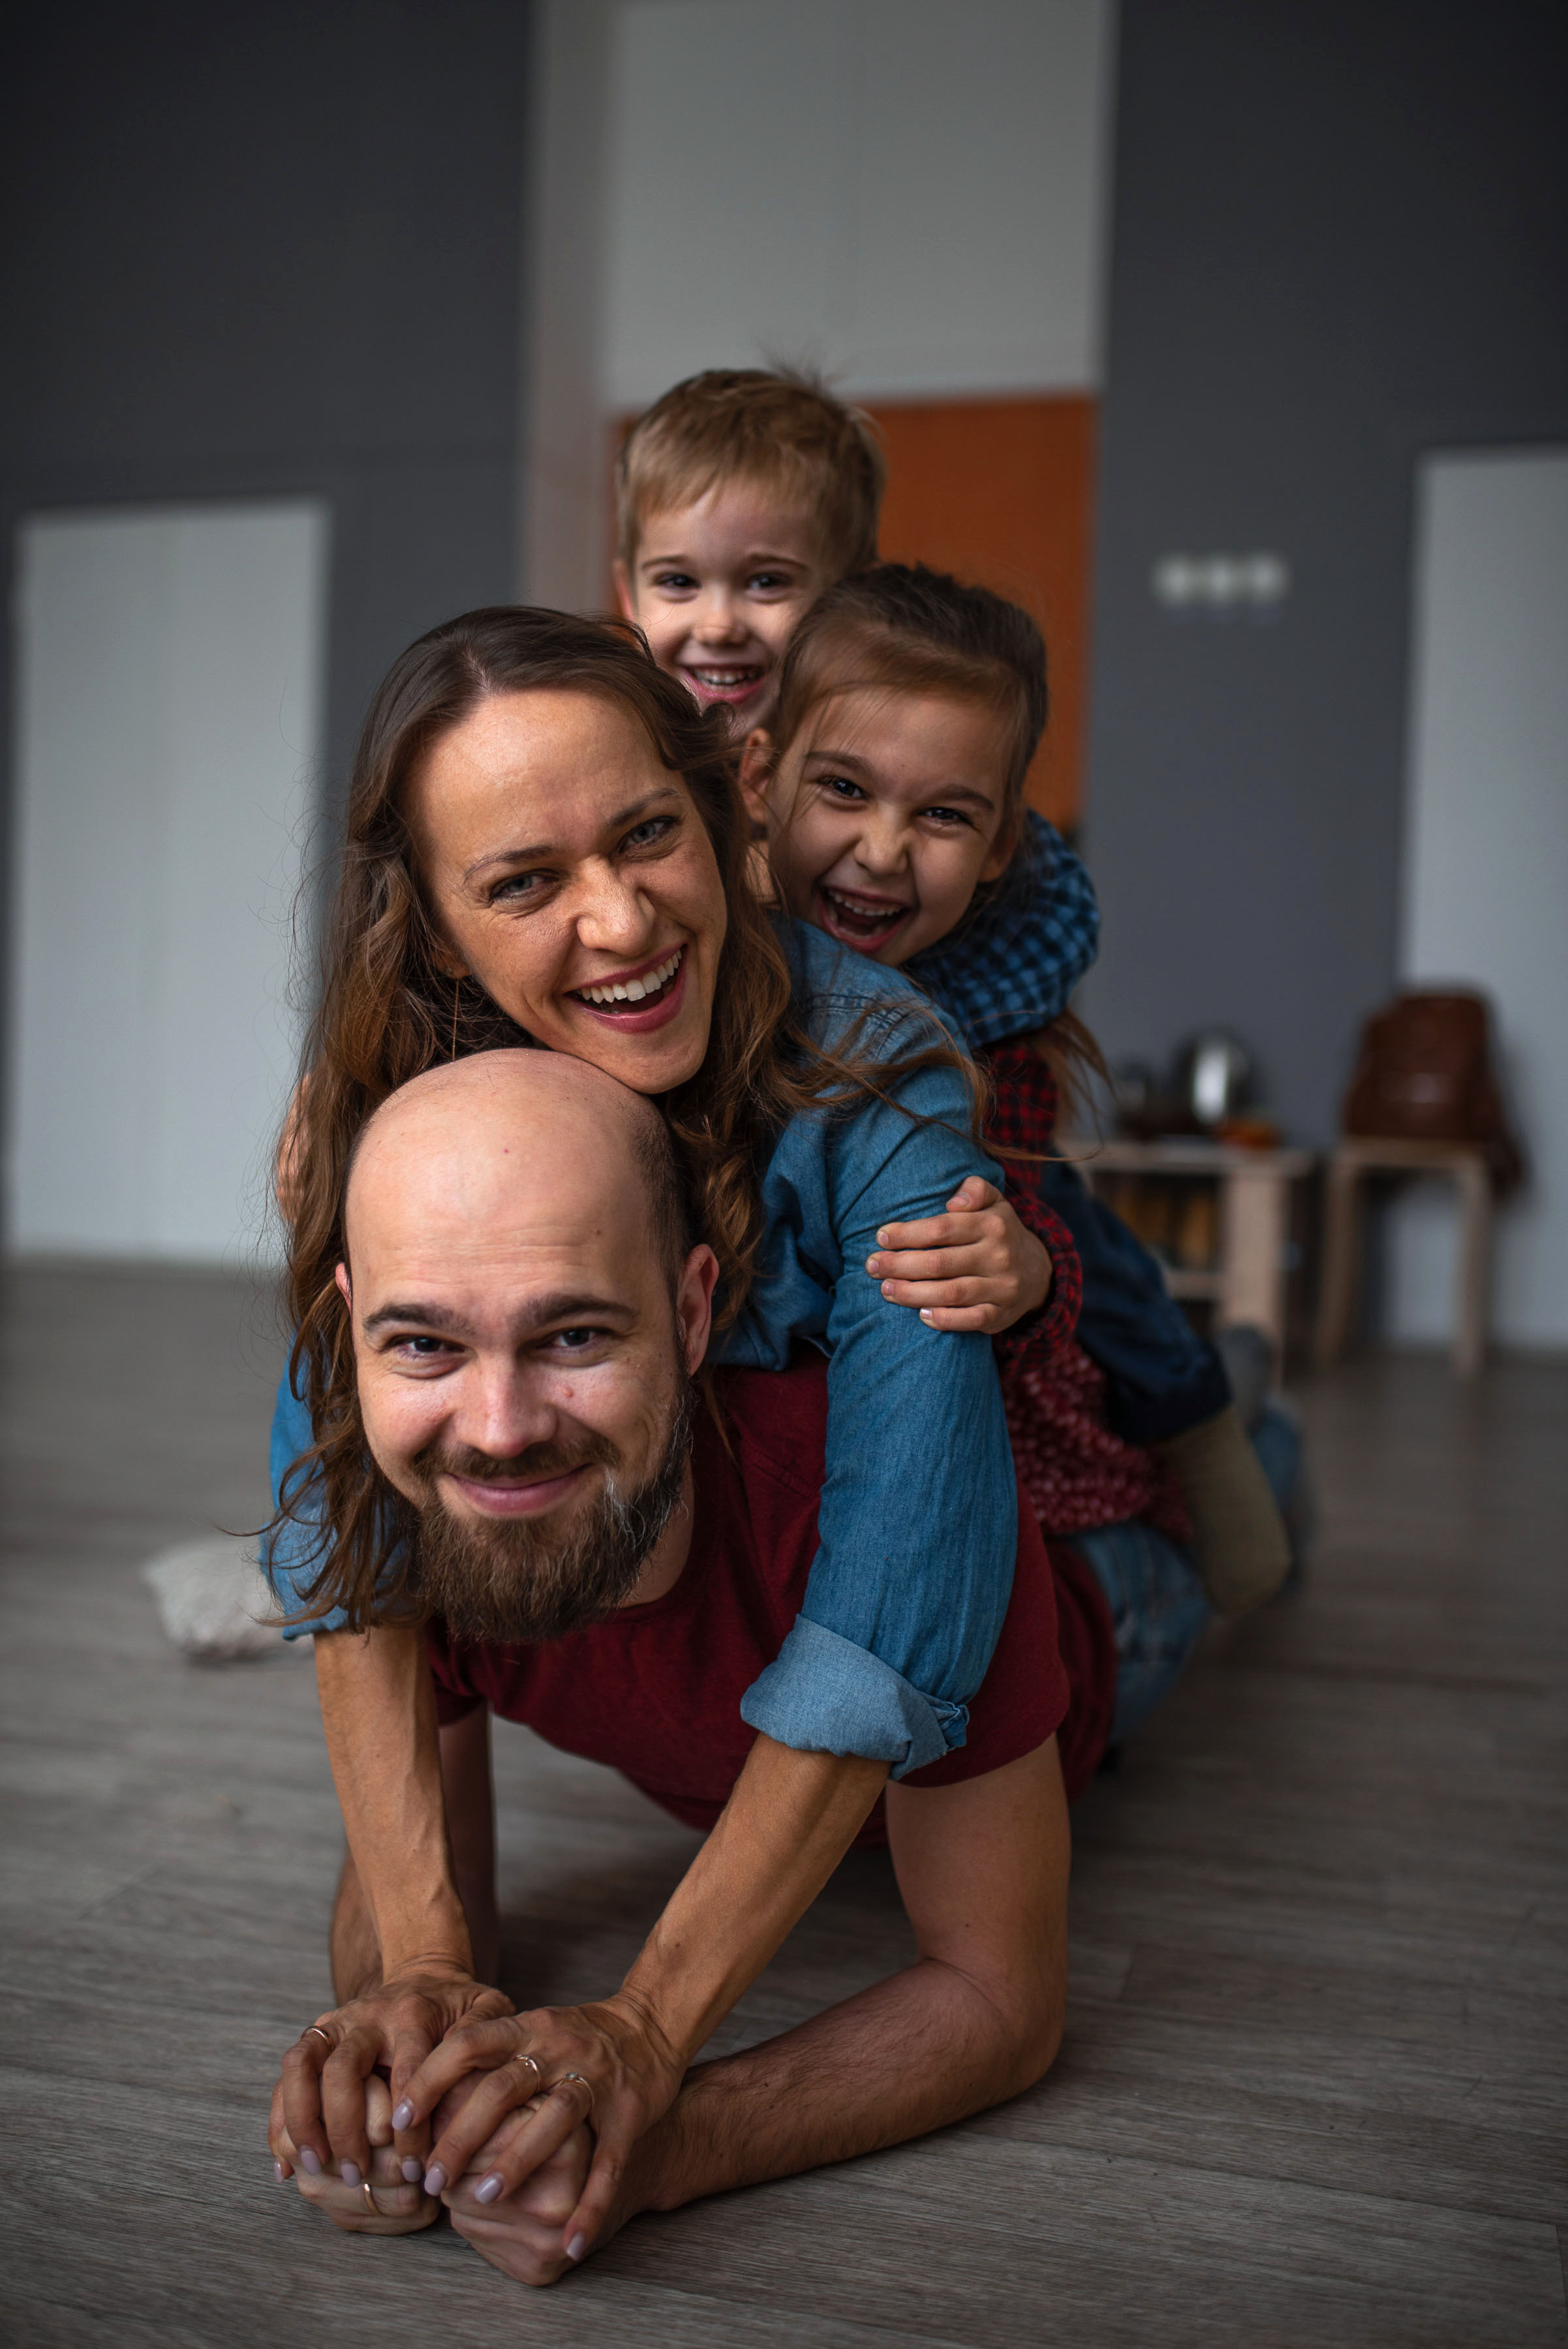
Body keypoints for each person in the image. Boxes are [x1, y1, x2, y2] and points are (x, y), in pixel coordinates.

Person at [262, 604, 1083, 2174]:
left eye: (649, 836)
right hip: (684, 1600)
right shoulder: (394, 1116)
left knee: (1111, 1479)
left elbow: (908, 1572)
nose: (625, 924)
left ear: (722, 812)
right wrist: (424, 1975)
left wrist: (647, 2042)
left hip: (990, 1598)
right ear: (436, 931)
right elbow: (343, 1522)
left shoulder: (877, 1074)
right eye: (522, 882)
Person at [271, 1049, 1119, 2286]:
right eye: (424, 1345)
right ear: (353, 1324)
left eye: (571, 1333)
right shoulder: (420, 1512)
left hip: (1096, 1624)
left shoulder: (884, 1506)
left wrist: (658, 2143)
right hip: (727, 1782)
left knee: (1173, 1554)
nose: (498, 1429)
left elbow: (1000, 2002)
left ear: (690, 1309)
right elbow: (422, 1908)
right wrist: (401, 2081)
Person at [613, 370, 1299, 1583]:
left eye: (767, 584)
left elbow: (1043, 914)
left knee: (1079, 1248)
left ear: (848, 594)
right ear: (629, 595)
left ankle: (1212, 1422)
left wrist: (918, 1041)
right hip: (775, 1148)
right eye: (681, 582)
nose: (718, 622)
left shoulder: (933, 784)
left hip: (955, 1081)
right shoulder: (628, 750)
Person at [739, 564, 1301, 1723]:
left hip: (1024, 1387)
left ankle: (1241, 1424)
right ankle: (1241, 1383)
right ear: (760, 775)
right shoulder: (695, 954)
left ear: (999, 848)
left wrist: (1029, 1268)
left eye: (943, 815)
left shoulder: (996, 1020)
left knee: (1150, 1438)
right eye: (843, 789)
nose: (885, 852)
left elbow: (1030, 1213)